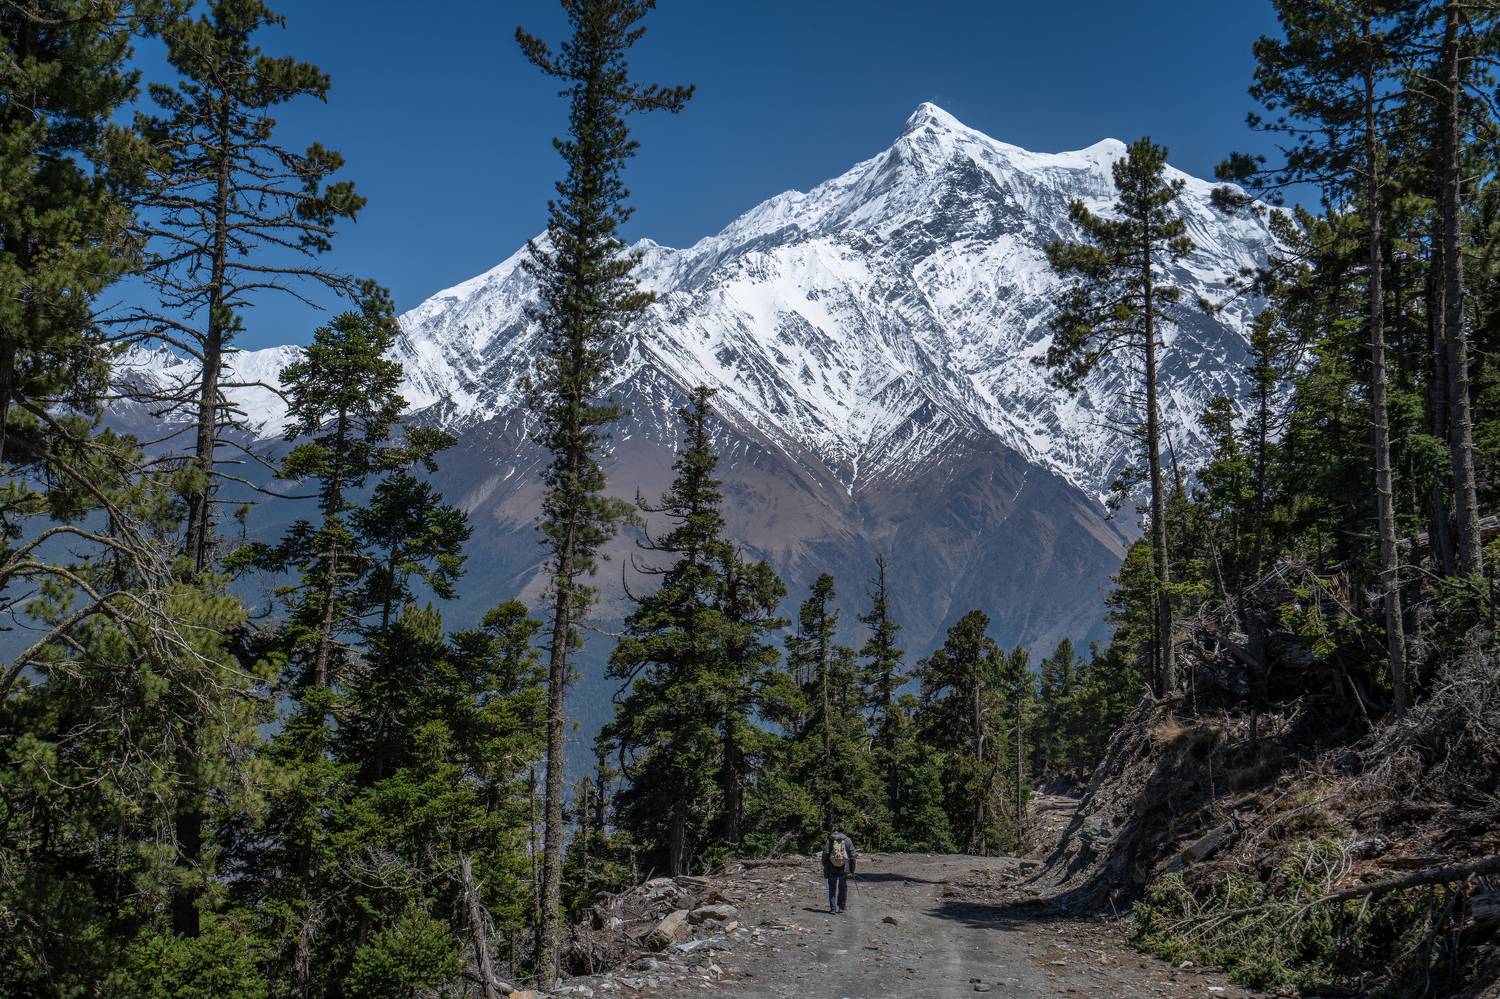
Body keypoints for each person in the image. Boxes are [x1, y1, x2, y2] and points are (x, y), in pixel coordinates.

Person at [820, 823, 856, 913]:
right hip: (844, 867)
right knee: (843, 887)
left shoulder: (830, 839)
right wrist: (852, 869)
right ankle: (841, 907)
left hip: (831, 867)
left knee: (832, 887)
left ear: (835, 830)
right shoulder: (848, 840)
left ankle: (832, 908)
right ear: (843, 830)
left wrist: (825, 864)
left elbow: (825, 853)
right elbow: (852, 856)